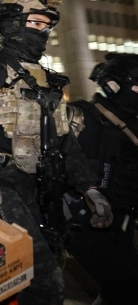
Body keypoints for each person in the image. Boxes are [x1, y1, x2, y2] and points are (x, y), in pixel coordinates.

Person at [0, 0, 111, 305]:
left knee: (28, 272)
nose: (41, 31)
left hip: (36, 186)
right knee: (42, 277)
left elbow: (65, 140)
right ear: (9, 24)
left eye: (46, 25)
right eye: (33, 22)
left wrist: (89, 188)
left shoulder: (47, 80)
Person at [66, 54, 138, 304]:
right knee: (124, 284)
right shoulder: (78, 118)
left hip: (119, 219)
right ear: (114, 86)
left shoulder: (130, 125)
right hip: (82, 221)